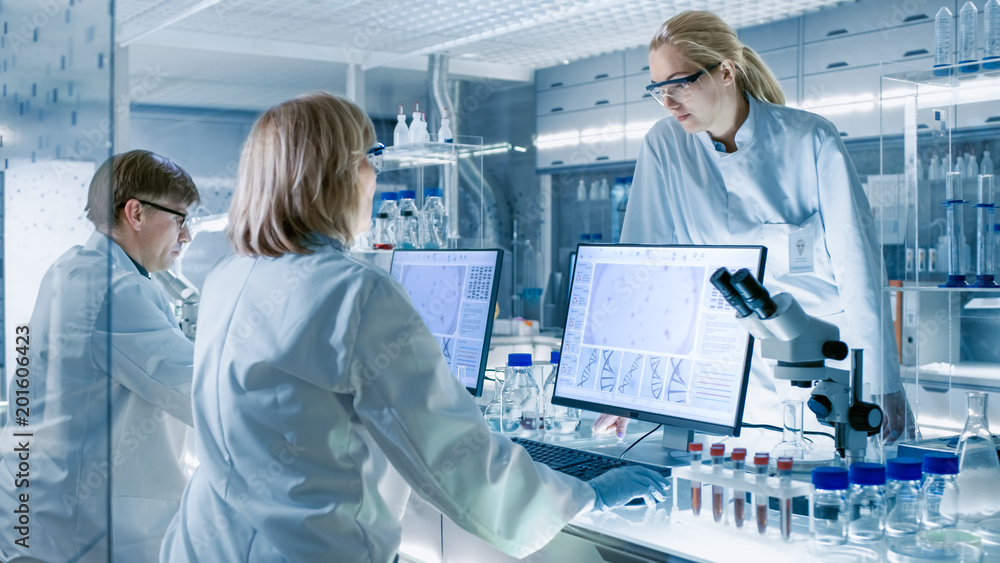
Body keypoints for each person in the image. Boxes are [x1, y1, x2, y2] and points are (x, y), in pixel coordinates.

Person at [160, 92, 667, 563]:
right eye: (369, 159)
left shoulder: (228, 274)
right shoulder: (354, 291)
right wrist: (588, 494)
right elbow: (454, 455)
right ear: (336, 175)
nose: (374, 176)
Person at [594, 11, 914, 445]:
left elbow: (859, 269)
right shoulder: (665, 145)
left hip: (820, 379)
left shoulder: (809, 140)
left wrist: (882, 381)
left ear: (725, 71)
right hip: (720, 385)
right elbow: (643, 265)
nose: (668, 103)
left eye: (680, 84)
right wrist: (622, 389)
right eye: (658, 89)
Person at [0, 150, 200, 562]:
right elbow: (194, 390)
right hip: (83, 531)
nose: (186, 236)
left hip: (47, 520)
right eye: (180, 219)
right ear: (136, 213)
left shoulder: (73, 268)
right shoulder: (115, 290)